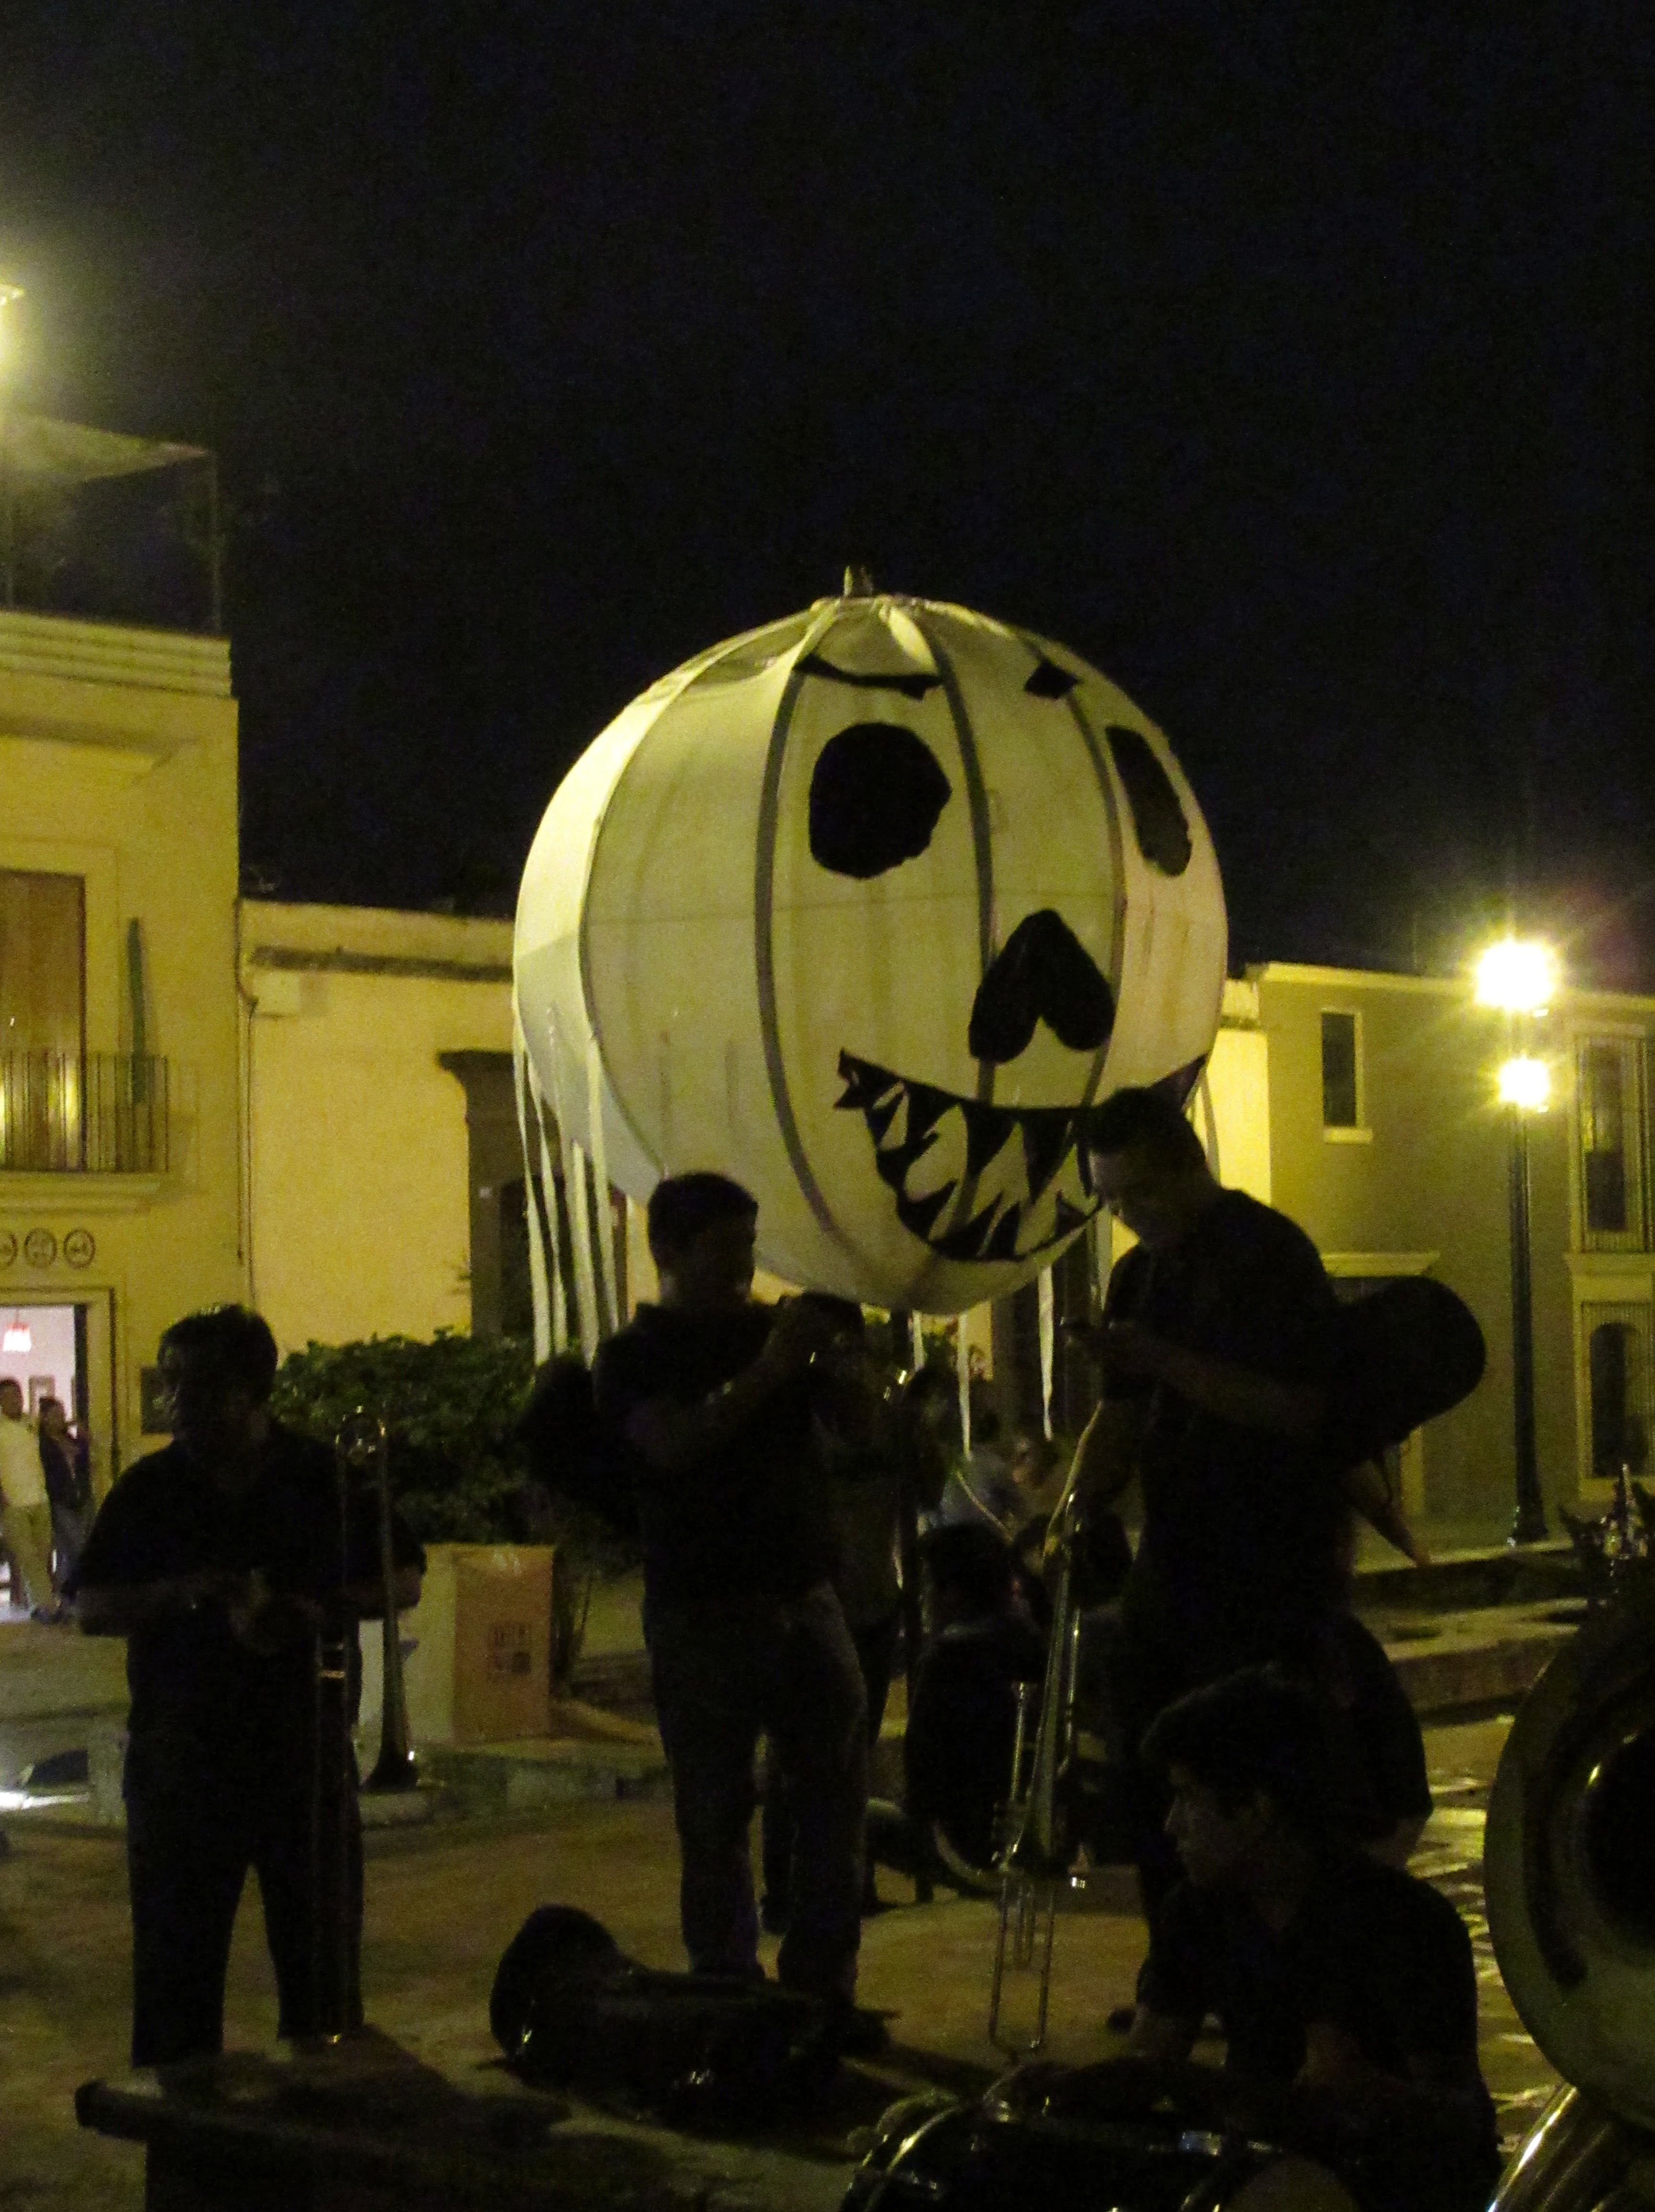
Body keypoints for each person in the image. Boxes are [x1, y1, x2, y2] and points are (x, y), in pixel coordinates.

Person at [74, 1305, 424, 2067]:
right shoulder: (151, 1487)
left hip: (303, 1746)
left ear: (249, 1389)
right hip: (183, 1753)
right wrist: (199, 1593)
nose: (177, 1404)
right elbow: (93, 1606)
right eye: (172, 1386)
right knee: (175, 1976)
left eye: (193, 1386)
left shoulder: (321, 1474)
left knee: (324, 1971)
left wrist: (308, 1609)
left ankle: (324, 2132)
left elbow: (403, 1575)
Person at [592, 1174, 873, 2040]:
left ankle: (820, 1988)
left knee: (835, 1800)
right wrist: (770, 1370)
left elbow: (860, 1432)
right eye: (724, 1249)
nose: (744, 1267)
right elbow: (672, 1443)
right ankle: (726, 1989)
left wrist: (848, 1367)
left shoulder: (774, 1335)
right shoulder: (634, 1354)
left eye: (750, 1246)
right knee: (714, 1810)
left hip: (805, 1595)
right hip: (704, 1609)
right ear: (669, 1253)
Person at [1060, 1085, 1345, 1911]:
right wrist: (1074, 1506)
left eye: (1140, 1194)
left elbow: (1301, 1407)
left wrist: (1159, 1357)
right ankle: (1177, 1975)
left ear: (1189, 1168)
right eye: (1111, 1200)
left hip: (1268, 1563)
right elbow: (1119, 1412)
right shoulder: (1137, 1275)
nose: (1129, 1217)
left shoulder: (1269, 1254)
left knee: (1255, 1787)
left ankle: (1269, 1982)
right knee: (1154, 1771)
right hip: (1175, 1558)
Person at [1124, 1668, 1499, 2212]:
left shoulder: (1405, 1922)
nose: (1171, 1824)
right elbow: (1152, 2056)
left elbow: (1465, 2127)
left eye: (1187, 1797)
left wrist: (1368, 2089)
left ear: (1256, 1808)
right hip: (1264, 2170)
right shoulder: (1197, 1910)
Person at [760, 1297, 946, 1926]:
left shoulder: (890, 1418)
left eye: (856, 1349)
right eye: (836, 1350)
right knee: (795, 1754)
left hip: (871, 1602)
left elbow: (931, 1489)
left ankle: (848, 1882)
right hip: (808, 1604)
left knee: (853, 1756)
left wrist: (918, 1427)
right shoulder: (794, 1419)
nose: (850, 1364)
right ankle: (786, 1889)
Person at [894, 1521, 1045, 1878]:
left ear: (954, 1593)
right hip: (1029, 1833)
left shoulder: (947, 1660)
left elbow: (923, 1781)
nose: (924, 1599)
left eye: (930, 1586)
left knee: (859, 1816)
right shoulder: (1033, 1642)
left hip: (960, 1843)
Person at [0, 1378, 57, 1620]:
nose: (16, 1400)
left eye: (18, 1395)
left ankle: (40, 1604)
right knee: (28, 1557)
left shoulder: (30, 1425)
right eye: (10, 1396)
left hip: (39, 1498)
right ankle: (47, 1606)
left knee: (44, 1554)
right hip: (13, 1503)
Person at [38, 1396, 91, 1602]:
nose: (61, 1419)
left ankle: (65, 1596)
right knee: (77, 1547)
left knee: (66, 1551)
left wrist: (83, 1434)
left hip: (81, 1498)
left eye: (62, 1414)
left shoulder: (69, 1439)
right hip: (62, 1501)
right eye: (55, 1415)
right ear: (45, 1419)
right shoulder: (43, 1444)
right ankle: (74, 1593)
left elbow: (83, 1459)